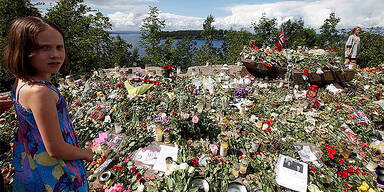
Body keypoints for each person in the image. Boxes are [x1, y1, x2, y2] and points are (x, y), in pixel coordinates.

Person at [2, 16, 93, 191]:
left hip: (31, 163)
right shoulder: (40, 92)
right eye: (44, 48)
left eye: (59, 47)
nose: (55, 54)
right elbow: (56, 149)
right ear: (23, 51)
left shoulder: (22, 81)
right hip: (53, 172)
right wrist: (85, 153)